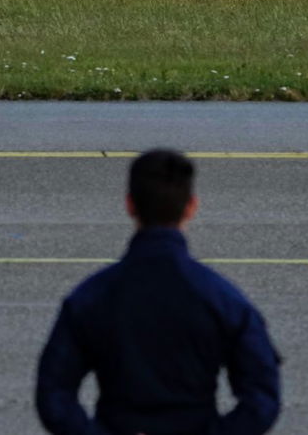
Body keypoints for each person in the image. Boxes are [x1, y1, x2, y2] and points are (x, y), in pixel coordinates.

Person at [36, 149, 281, 435]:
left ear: (130, 205)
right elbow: (262, 398)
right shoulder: (223, 299)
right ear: (191, 206)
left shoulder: (91, 297)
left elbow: (54, 394)